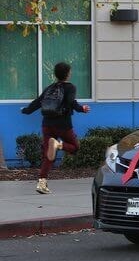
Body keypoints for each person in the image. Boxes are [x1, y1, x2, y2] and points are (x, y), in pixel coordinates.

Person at [21, 62, 90, 194]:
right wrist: (82, 109)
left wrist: (26, 110)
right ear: (68, 74)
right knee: (75, 147)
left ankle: (42, 183)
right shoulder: (70, 87)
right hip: (63, 124)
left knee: (48, 155)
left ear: (56, 74)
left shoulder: (49, 87)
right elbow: (70, 102)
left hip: (47, 124)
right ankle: (58, 145)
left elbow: (38, 102)